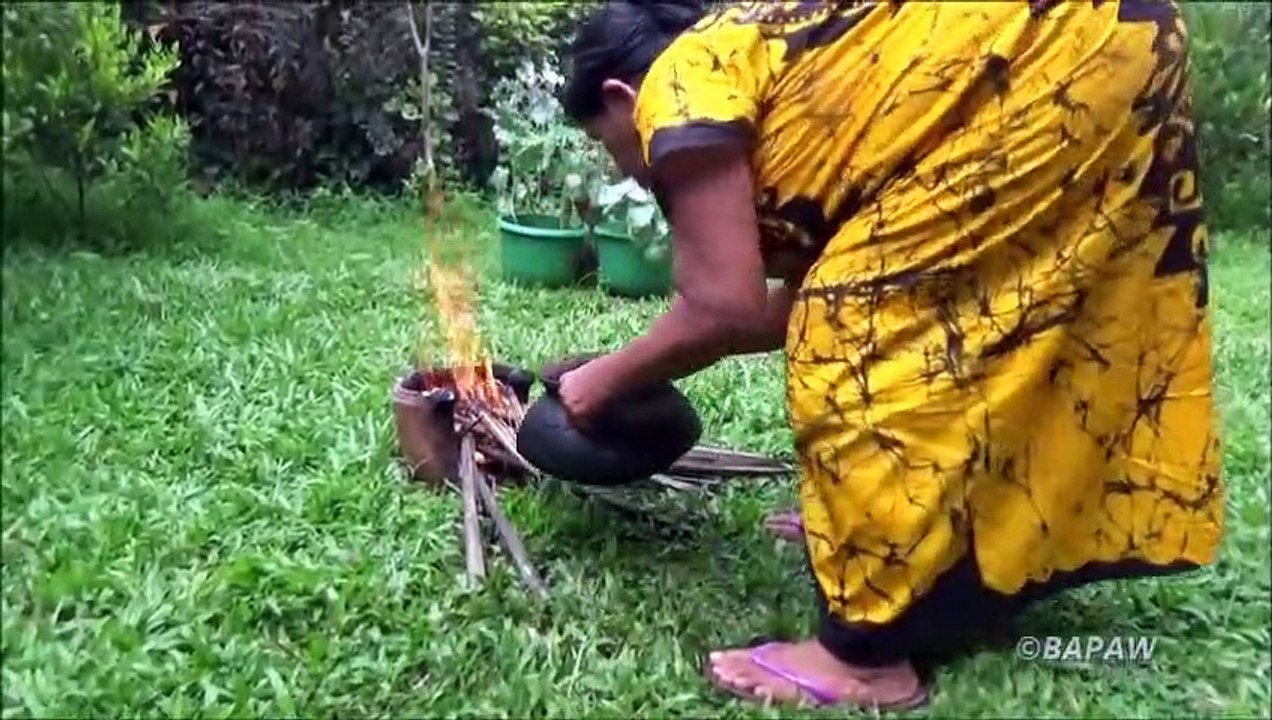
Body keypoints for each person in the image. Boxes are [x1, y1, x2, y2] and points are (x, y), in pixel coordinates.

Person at [554, 0, 1224, 709]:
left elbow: (724, 308)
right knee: (974, 313)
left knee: (852, 335)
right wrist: (625, 364)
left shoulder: (680, 84)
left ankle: (865, 660)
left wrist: (597, 386)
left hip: (1058, 39)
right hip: (1113, 31)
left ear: (620, 97)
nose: (627, 173)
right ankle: (910, 547)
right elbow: (773, 303)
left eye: (608, 146)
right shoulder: (782, 61)